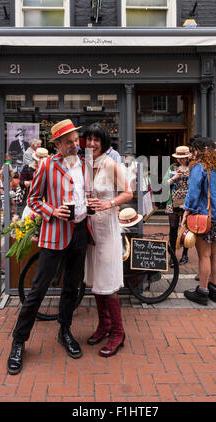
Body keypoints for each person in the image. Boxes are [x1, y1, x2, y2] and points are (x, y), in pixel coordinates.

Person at [7, 119, 93, 375]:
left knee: (71, 287)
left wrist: (91, 203)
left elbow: (86, 194)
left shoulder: (85, 164)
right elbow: (33, 200)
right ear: (56, 144)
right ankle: (18, 342)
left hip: (79, 232)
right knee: (38, 290)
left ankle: (64, 331)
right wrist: (52, 210)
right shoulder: (46, 165)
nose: (74, 145)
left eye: (76, 140)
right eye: (68, 142)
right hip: (55, 233)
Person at [83, 122, 133, 357]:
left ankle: (118, 332)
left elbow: (128, 192)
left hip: (108, 230)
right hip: (90, 230)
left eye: (97, 139)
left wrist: (108, 203)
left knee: (109, 284)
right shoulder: (84, 164)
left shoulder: (111, 164)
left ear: (104, 143)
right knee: (96, 282)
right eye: (89, 139)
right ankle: (104, 326)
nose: (92, 143)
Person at [182, 137, 216, 306]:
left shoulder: (199, 166)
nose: (190, 154)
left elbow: (193, 193)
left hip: (204, 216)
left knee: (204, 255)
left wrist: (186, 213)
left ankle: (202, 292)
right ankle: (214, 289)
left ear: (197, 150)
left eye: (192, 150)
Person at [163, 146, 190, 266]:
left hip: (188, 202)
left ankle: (185, 254)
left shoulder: (193, 168)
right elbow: (164, 184)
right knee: (173, 227)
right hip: (173, 202)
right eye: (178, 158)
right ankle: (173, 256)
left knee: (186, 229)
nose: (179, 160)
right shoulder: (172, 167)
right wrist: (174, 178)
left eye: (182, 158)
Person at [21, 148, 49, 219]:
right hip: (30, 197)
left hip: (45, 199)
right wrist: (30, 183)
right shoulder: (27, 168)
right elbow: (21, 182)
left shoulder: (47, 169)